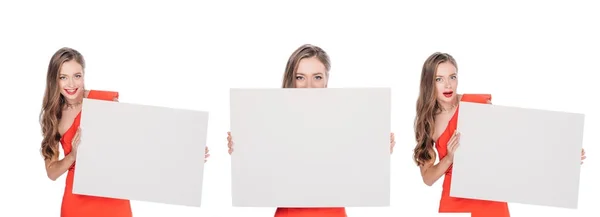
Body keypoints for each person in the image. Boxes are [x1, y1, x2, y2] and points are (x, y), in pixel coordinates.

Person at [226, 44, 395, 217]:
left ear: (326, 80)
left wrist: (377, 152)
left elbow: (357, 172)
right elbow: (259, 177)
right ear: (291, 80)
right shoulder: (271, 123)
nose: (309, 86)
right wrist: (241, 150)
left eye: (317, 77)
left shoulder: (345, 121)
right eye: (300, 77)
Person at [39, 47, 210, 217]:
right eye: (63, 77)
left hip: (114, 196)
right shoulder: (54, 116)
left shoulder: (102, 102)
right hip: (77, 202)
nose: (71, 84)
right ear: (55, 80)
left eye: (77, 76)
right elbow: (52, 173)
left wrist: (187, 156)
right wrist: (73, 156)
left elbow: (140, 142)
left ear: (84, 75)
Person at [412, 52, 587, 217]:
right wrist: (449, 158)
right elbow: (428, 178)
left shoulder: (476, 104)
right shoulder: (428, 121)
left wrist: (564, 157)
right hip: (454, 201)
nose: (448, 84)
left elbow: (515, 143)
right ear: (429, 82)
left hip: (491, 194)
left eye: (453, 77)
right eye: (439, 79)